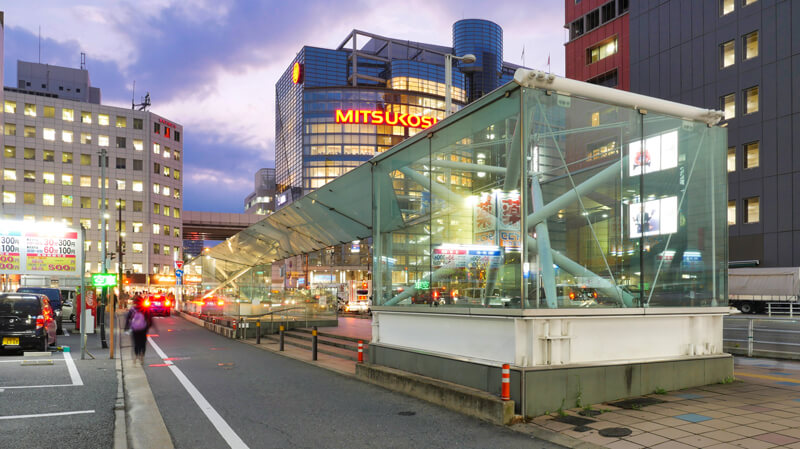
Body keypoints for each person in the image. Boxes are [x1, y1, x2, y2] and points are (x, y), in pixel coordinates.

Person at [124, 295, 153, 364]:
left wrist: (126, 327)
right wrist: (149, 326)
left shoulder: (132, 309)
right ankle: (142, 356)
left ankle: (135, 356)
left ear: (135, 302)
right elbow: (150, 318)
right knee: (143, 342)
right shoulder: (145, 309)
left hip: (135, 328)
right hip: (143, 328)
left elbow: (128, 318)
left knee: (136, 342)